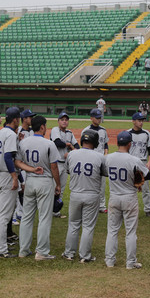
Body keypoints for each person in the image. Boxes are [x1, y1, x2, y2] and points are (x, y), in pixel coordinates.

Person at [0, 107, 43, 258]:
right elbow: (9, 157)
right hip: (7, 175)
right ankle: (0, 250)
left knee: (2, 213)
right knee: (4, 214)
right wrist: (15, 177)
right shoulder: (9, 134)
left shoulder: (1, 132)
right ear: (15, 119)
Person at [17, 115, 61, 260]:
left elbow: (17, 162)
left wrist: (30, 169)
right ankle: (41, 252)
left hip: (30, 181)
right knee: (44, 218)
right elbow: (54, 167)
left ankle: (23, 250)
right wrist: (58, 184)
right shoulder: (49, 144)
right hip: (45, 181)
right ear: (42, 127)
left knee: (27, 217)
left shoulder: (24, 142)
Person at [105, 131, 150, 269]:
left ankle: (109, 261)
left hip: (114, 197)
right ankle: (130, 263)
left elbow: (103, 171)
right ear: (130, 144)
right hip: (129, 197)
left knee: (112, 231)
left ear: (117, 143)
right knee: (130, 232)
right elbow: (147, 176)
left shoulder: (108, 158)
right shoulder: (134, 159)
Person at [63, 130, 107, 263]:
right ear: (95, 142)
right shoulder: (100, 157)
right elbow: (105, 173)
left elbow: (68, 170)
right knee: (88, 226)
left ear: (82, 141)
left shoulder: (71, 154)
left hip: (75, 194)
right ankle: (84, 256)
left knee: (73, 224)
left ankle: (69, 253)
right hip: (92, 195)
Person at [50, 112, 80, 217]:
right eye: (62, 119)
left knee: (61, 189)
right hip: (56, 164)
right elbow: (57, 142)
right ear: (58, 121)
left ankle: (56, 211)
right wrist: (69, 145)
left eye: (66, 120)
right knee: (54, 187)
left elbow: (77, 146)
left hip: (65, 164)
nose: (64, 121)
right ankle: (49, 211)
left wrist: (72, 149)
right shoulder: (55, 130)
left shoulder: (69, 133)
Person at [127, 112, 150, 217]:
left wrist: (149, 161)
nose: (141, 122)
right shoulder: (128, 133)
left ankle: (148, 210)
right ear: (133, 121)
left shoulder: (147, 134)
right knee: (129, 187)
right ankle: (129, 209)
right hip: (130, 162)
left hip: (142, 162)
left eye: (142, 120)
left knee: (145, 188)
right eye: (139, 120)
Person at [82, 109, 109, 213]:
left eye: (99, 117)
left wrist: (106, 153)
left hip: (101, 160)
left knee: (102, 185)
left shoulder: (103, 130)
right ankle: (89, 205)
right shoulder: (86, 130)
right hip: (90, 160)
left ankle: (101, 206)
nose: (99, 119)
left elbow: (105, 144)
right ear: (91, 118)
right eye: (97, 117)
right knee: (89, 184)